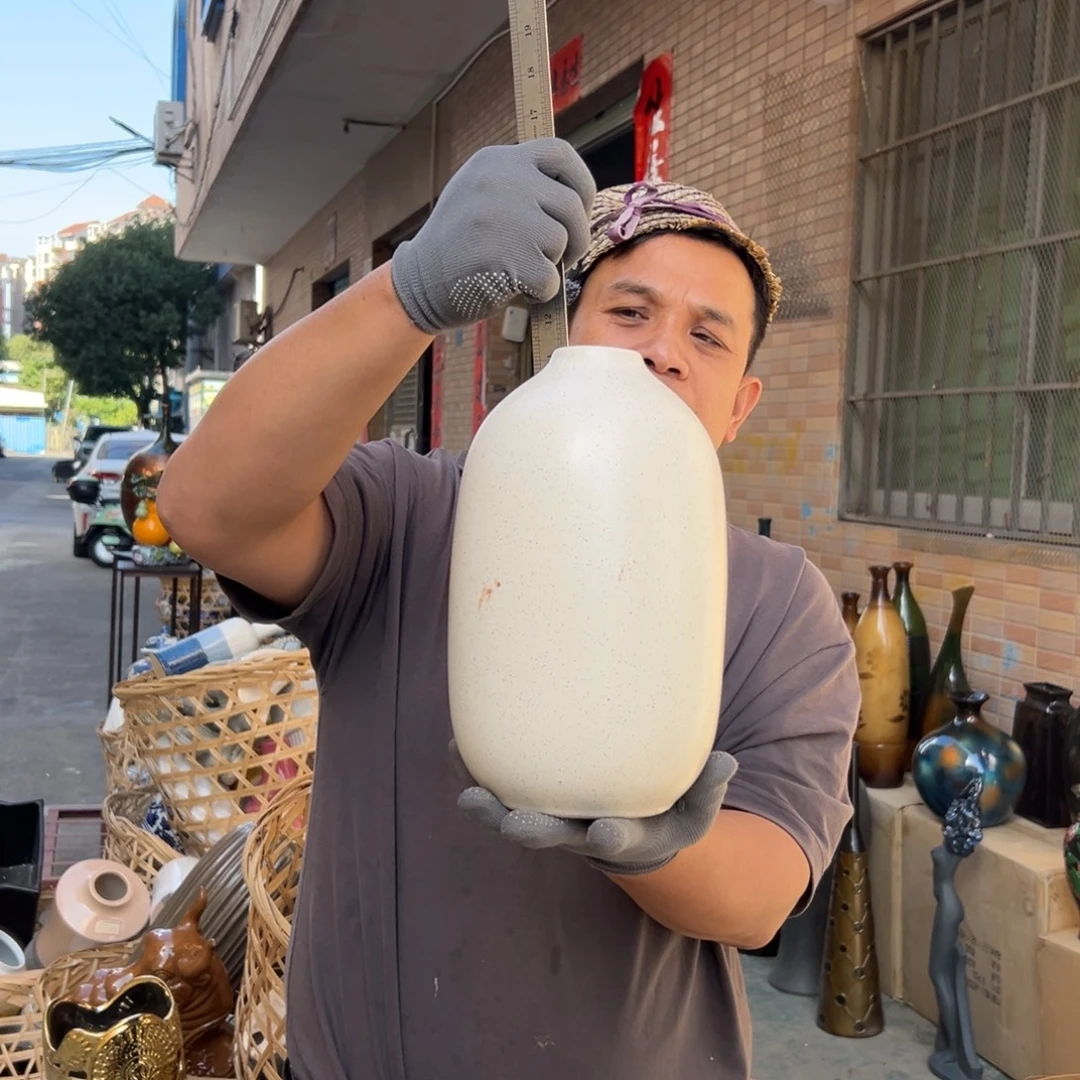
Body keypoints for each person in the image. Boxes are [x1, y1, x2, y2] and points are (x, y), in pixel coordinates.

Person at [159, 138, 860, 1080]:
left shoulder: (781, 605)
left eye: (707, 336)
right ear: (558, 342)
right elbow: (208, 508)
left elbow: (764, 893)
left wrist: (650, 850)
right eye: (630, 311)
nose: (663, 352)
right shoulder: (413, 517)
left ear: (741, 405)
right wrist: (408, 292)